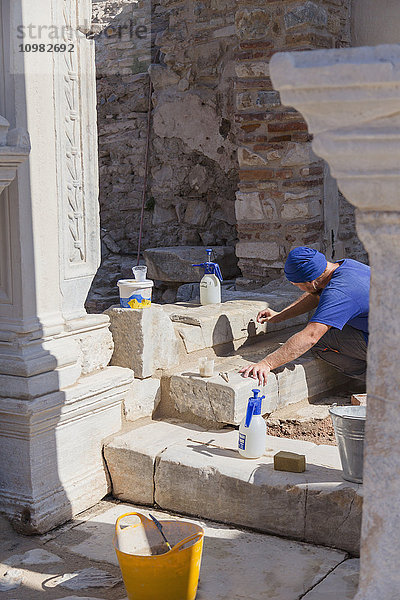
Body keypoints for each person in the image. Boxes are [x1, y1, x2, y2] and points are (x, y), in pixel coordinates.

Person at [239, 246, 370, 386]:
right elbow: (316, 296)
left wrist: (267, 363)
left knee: (320, 341)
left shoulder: (338, 292)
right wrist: (280, 316)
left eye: (297, 285)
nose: (298, 288)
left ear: (311, 282)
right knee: (333, 327)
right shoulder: (346, 266)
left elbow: (310, 337)